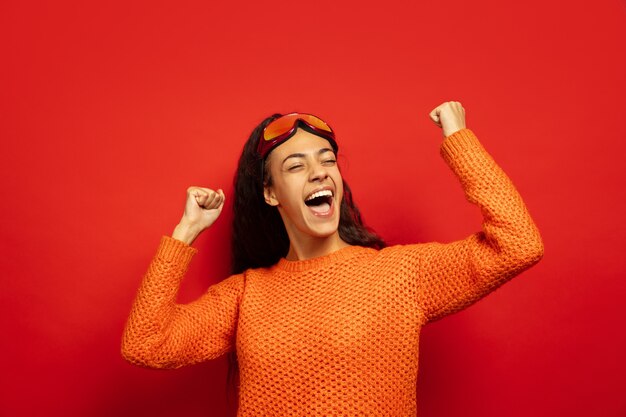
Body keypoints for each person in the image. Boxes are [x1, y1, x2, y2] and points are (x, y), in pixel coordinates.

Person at [121, 102, 544, 416]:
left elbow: (518, 243)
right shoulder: (246, 295)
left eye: (328, 160)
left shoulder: (399, 275)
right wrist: (186, 233)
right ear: (271, 193)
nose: (321, 172)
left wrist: (458, 139)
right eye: (296, 166)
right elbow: (145, 344)